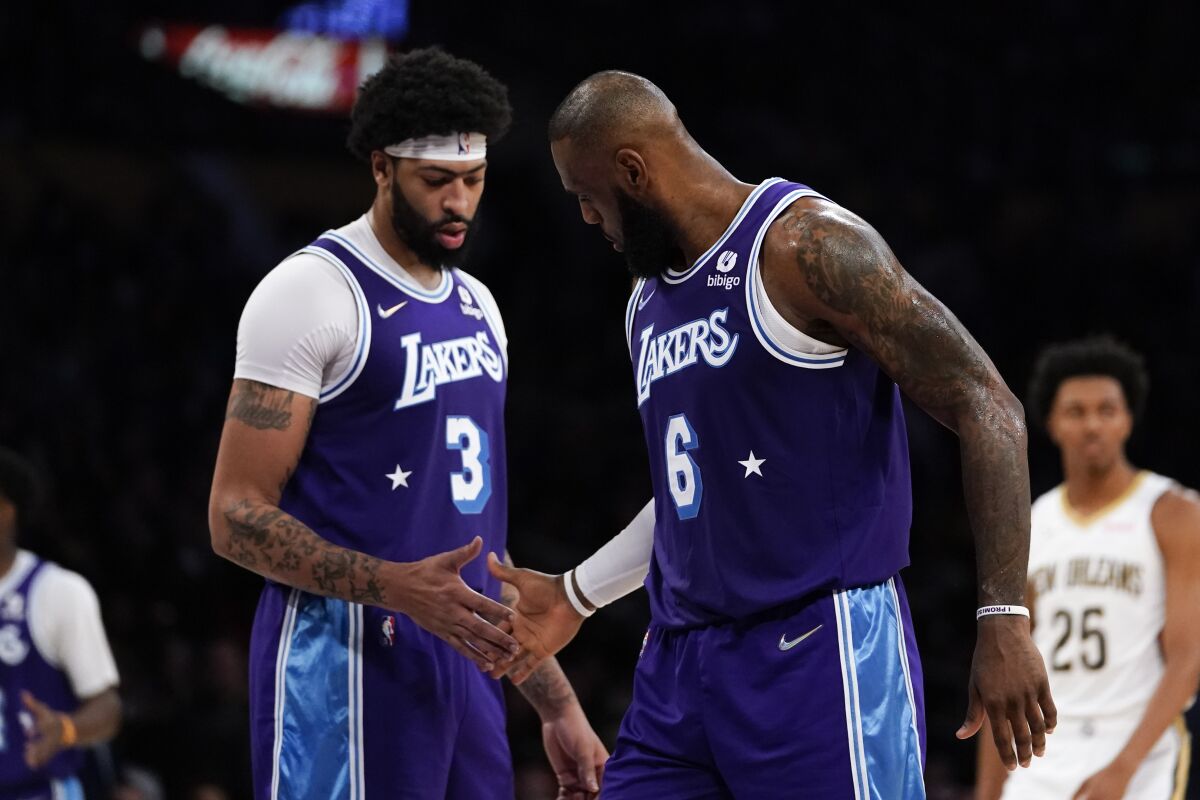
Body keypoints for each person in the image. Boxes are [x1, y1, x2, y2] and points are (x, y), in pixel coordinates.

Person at [486, 70, 1056, 799]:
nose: (589, 218)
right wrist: (575, 594)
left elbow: (988, 405)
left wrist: (1003, 616)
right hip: (679, 667)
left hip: (816, 648)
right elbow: (692, 493)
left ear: (632, 171)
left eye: (585, 195)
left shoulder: (806, 245)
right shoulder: (645, 305)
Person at [207, 48, 606, 800]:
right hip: (343, 660)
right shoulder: (309, 291)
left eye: (474, 180)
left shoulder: (480, 307)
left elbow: (478, 542)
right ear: (383, 168)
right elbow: (233, 517)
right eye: (436, 182)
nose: (459, 202)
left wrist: (555, 703)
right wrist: (395, 587)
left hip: (463, 668)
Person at [975, 336, 1200, 800]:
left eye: (1107, 410)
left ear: (1127, 421)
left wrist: (1123, 769)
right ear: (1052, 424)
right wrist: (987, 792)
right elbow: (1004, 665)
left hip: (1137, 745)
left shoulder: (1173, 512)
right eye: (1077, 412)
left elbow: (1189, 657)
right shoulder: (1032, 522)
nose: (1093, 424)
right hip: (1043, 751)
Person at [0, 447, 122, 799]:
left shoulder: (57, 591)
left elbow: (108, 708)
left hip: (39, 790)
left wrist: (66, 729)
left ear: (8, 511)